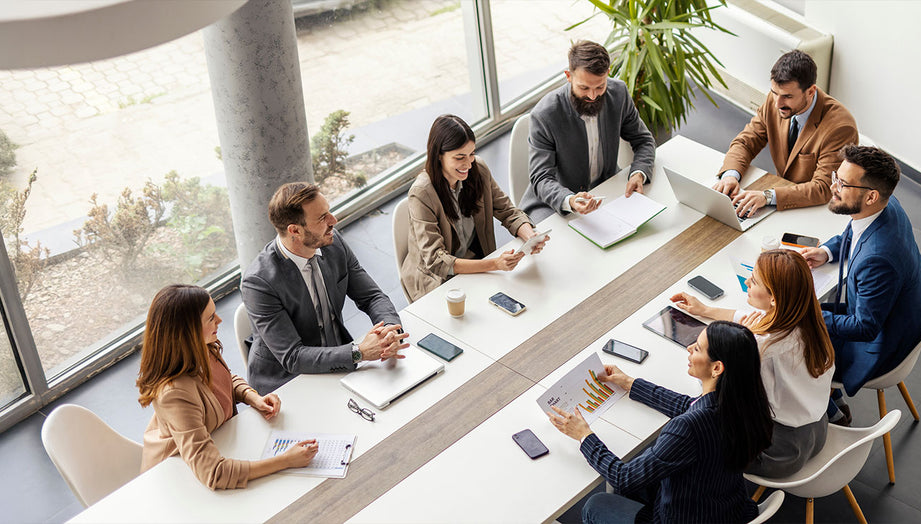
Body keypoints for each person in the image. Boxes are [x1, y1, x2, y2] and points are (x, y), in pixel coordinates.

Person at [548, 322, 770, 523]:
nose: (689, 348)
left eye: (698, 348)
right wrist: (630, 383)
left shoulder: (688, 427)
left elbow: (623, 478)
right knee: (641, 470)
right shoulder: (744, 403)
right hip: (726, 508)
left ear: (717, 368)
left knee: (596, 504)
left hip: (685, 517)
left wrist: (584, 436)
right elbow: (687, 405)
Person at [670, 249, 836, 477]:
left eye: (755, 280)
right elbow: (750, 318)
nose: (747, 281)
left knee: (697, 431)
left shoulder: (762, 350)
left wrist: (733, 348)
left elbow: (717, 390)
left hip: (778, 453)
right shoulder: (808, 323)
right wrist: (706, 310)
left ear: (773, 298)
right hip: (817, 431)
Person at [798, 145, 921, 425]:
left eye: (843, 184)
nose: (833, 187)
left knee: (788, 343)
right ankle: (829, 396)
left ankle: (829, 410)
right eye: (836, 177)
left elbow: (865, 327)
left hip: (880, 345)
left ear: (871, 196)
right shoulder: (886, 205)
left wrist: (807, 315)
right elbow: (855, 229)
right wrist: (827, 251)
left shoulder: (878, 259)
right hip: (895, 318)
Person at [136, 284, 318, 489]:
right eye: (210, 318)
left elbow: (224, 380)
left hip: (218, 445)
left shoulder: (202, 348)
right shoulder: (175, 394)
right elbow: (215, 473)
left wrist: (252, 397)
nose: (219, 320)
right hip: (176, 479)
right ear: (189, 331)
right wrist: (286, 461)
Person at [242, 182, 410, 394]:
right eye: (322, 218)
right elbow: (293, 357)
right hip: (289, 382)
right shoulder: (258, 283)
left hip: (339, 361)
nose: (333, 220)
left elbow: (372, 297)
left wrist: (391, 331)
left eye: (328, 212)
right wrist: (358, 352)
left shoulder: (333, 242)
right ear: (295, 230)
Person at [401, 114, 548, 301]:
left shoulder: (478, 170)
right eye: (459, 157)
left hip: (476, 266)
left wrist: (530, 236)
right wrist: (494, 264)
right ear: (438, 155)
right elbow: (437, 261)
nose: (468, 163)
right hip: (438, 280)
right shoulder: (422, 193)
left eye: (471, 154)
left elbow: (508, 211)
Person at [520, 40, 656, 222]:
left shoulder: (619, 94)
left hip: (606, 191)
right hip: (555, 202)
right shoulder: (545, 114)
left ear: (608, 74)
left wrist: (638, 173)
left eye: (600, 86)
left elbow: (644, 140)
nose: (593, 96)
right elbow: (541, 177)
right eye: (584, 88)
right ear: (568, 76)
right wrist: (570, 200)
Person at [713, 50, 858, 218]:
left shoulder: (840, 128)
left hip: (815, 210)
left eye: (787, 96)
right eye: (774, 93)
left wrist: (768, 197)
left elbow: (823, 187)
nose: (777, 104)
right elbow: (746, 142)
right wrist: (731, 175)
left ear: (811, 91)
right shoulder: (775, 101)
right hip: (781, 197)